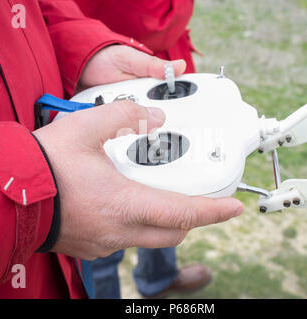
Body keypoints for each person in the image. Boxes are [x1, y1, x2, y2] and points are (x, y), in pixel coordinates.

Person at [0, 0, 243, 298]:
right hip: (3, 260)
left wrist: (82, 50)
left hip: (58, 206)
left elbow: (26, 11)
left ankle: (158, 277)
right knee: (109, 247)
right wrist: (32, 202)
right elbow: (156, 17)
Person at [74, 0, 211, 299]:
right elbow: (154, 18)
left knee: (169, 184)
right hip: (117, 79)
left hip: (160, 73)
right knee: (106, 208)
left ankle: (158, 277)